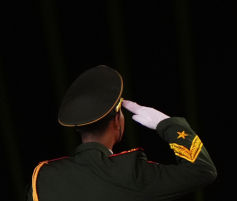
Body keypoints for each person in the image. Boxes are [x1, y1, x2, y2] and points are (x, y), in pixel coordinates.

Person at [26, 64, 217, 201]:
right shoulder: (130, 172)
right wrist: (166, 124)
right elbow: (202, 170)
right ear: (117, 121)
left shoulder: (44, 177)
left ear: (78, 127)